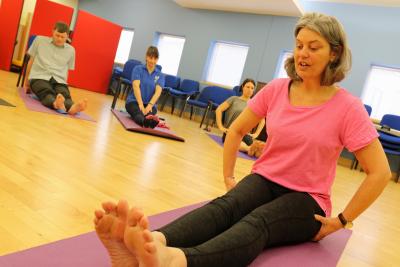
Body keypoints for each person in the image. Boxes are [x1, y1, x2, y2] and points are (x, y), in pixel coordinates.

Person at [94, 13, 391, 267]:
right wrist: (229, 176)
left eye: (314, 47)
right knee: (226, 207)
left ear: (334, 53)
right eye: (299, 45)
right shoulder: (277, 89)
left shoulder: (348, 107)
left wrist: (341, 220)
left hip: (307, 200)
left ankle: (176, 261)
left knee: (257, 223)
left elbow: (379, 173)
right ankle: (151, 243)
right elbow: (235, 130)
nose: (303, 53)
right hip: (265, 178)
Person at [24, 21, 87, 115]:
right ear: (52, 31)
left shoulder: (71, 50)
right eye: (57, 35)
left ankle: (72, 108)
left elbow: (67, 70)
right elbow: (31, 61)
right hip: (39, 76)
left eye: (63, 37)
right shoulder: (39, 40)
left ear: (67, 37)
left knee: (64, 93)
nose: (59, 39)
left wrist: (64, 84)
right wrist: (27, 81)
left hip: (59, 80)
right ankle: (55, 103)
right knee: (45, 90)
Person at [215, 78, 265, 152]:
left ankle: (254, 149)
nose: (250, 90)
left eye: (252, 88)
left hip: (245, 134)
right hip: (231, 132)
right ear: (242, 87)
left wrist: (256, 134)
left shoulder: (254, 104)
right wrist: (221, 127)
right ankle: (250, 149)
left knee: (252, 144)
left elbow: (262, 120)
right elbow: (219, 110)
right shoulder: (234, 99)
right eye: (247, 87)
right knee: (235, 143)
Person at [125, 46, 165, 128]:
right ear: (146, 57)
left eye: (155, 59)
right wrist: (140, 104)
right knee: (138, 112)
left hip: (149, 104)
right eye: (151, 58)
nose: (152, 61)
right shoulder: (138, 69)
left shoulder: (160, 75)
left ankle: (150, 121)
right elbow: (136, 86)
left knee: (150, 113)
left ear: (157, 59)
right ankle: (144, 122)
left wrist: (150, 105)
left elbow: (158, 92)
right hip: (134, 101)